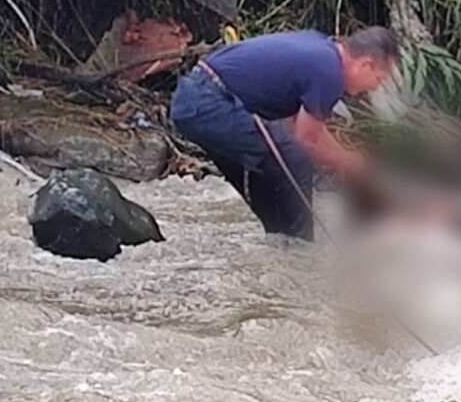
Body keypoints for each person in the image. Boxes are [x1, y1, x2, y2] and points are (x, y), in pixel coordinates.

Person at [169, 26, 400, 242]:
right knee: (293, 159)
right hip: (209, 103)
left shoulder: (324, 53)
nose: (375, 88)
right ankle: (299, 251)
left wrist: (346, 157)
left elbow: (306, 129)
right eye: (379, 80)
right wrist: (349, 161)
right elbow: (306, 140)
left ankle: (281, 244)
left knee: (273, 166)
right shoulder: (330, 73)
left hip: (197, 99)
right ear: (365, 65)